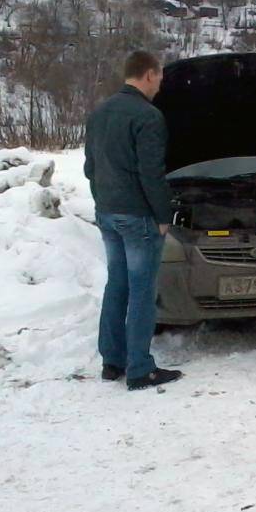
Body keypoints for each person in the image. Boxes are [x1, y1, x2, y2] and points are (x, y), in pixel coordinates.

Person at [84, 50, 183, 391]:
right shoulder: (148, 116)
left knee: (117, 284)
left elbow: (89, 168)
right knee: (142, 290)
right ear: (150, 75)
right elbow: (151, 173)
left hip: (107, 213)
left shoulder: (99, 113)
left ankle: (112, 361)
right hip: (139, 216)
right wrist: (163, 215)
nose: (160, 86)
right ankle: (140, 368)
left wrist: (104, 201)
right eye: (160, 79)